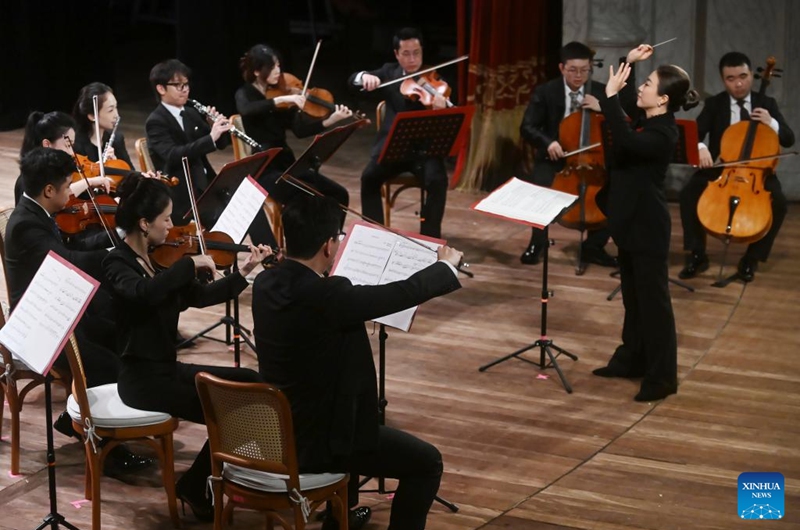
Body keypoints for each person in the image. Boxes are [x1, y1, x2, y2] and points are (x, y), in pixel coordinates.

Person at [252, 194, 464, 530]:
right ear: (328, 247)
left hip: (278, 428)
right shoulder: (328, 296)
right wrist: (444, 267)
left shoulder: (265, 284)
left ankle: (340, 519)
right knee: (427, 462)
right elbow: (398, 293)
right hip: (321, 440)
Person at [103, 172, 271, 521]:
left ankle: (202, 482)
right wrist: (188, 264)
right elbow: (144, 295)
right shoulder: (117, 263)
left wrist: (244, 272)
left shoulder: (155, 260)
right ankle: (198, 484)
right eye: (166, 219)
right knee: (235, 407)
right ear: (145, 223)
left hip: (166, 370)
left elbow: (200, 295)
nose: (172, 227)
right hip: (143, 381)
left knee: (250, 380)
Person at [5, 147, 150, 471]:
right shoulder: (26, 225)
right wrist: (117, 257)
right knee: (105, 364)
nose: (72, 191)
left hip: (59, 312)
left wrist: (116, 239)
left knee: (122, 334)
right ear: (49, 191)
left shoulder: (37, 214)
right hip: (39, 327)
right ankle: (106, 450)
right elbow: (66, 262)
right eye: (68, 185)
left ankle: (76, 419)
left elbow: (69, 247)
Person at [592, 45, 699, 402]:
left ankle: (662, 377)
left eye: (648, 83)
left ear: (663, 99)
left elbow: (624, 136)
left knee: (655, 306)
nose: (642, 88)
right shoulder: (648, 120)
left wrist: (608, 98)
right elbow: (627, 112)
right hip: (630, 221)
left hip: (648, 227)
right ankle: (631, 360)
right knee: (634, 301)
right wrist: (630, 62)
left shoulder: (663, 133)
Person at [678, 52, 795, 282]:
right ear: (723, 80)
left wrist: (771, 122)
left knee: (779, 203)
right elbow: (694, 135)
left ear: (752, 75)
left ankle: (751, 258)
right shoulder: (715, 104)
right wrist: (701, 147)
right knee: (688, 193)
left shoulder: (767, 104)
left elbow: (788, 139)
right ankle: (697, 254)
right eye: (731, 78)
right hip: (722, 169)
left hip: (758, 172)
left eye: (743, 76)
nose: (738, 83)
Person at [234, 43, 352, 247]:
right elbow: (247, 110)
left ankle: (330, 244)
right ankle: (306, 248)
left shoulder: (282, 94)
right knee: (308, 197)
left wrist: (331, 120)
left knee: (339, 193)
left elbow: (299, 131)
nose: (278, 71)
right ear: (256, 71)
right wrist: (282, 99)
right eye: (272, 67)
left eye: (278, 66)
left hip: (288, 164)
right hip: (265, 170)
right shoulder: (245, 93)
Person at [519, 41, 617, 268]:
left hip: (593, 159)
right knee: (540, 185)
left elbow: (622, 124)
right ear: (562, 68)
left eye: (585, 70)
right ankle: (538, 242)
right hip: (556, 159)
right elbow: (527, 127)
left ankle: (594, 246)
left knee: (615, 190)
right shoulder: (546, 92)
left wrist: (604, 108)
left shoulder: (601, 92)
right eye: (573, 70)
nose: (579, 75)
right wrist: (549, 142)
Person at [348, 27, 449, 238]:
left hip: (425, 152)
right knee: (369, 177)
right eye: (406, 53)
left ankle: (430, 241)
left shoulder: (435, 77)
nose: (413, 59)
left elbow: (451, 116)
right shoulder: (388, 73)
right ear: (396, 54)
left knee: (438, 181)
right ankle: (376, 237)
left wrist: (443, 109)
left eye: (417, 53)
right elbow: (352, 81)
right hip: (393, 148)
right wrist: (364, 77)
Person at [145, 59, 232, 226]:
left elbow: (219, 145)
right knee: (225, 219)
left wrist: (217, 129)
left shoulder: (191, 113)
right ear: (161, 88)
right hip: (182, 190)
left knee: (244, 208)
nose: (184, 90)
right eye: (178, 86)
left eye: (186, 85)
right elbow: (172, 154)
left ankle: (268, 251)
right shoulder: (156, 121)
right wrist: (211, 137)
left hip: (205, 183)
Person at [15, 111, 114, 205]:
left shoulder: (60, 172)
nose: (72, 153)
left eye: (72, 145)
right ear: (47, 144)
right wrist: (89, 182)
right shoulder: (28, 182)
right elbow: (56, 198)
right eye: (68, 145)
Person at [72, 82, 134, 169]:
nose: (116, 115)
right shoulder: (75, 145)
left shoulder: (117, 139)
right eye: (110, 110)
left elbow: (132, 175)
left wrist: (116, 164)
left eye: (116, 107)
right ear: (92, 116)